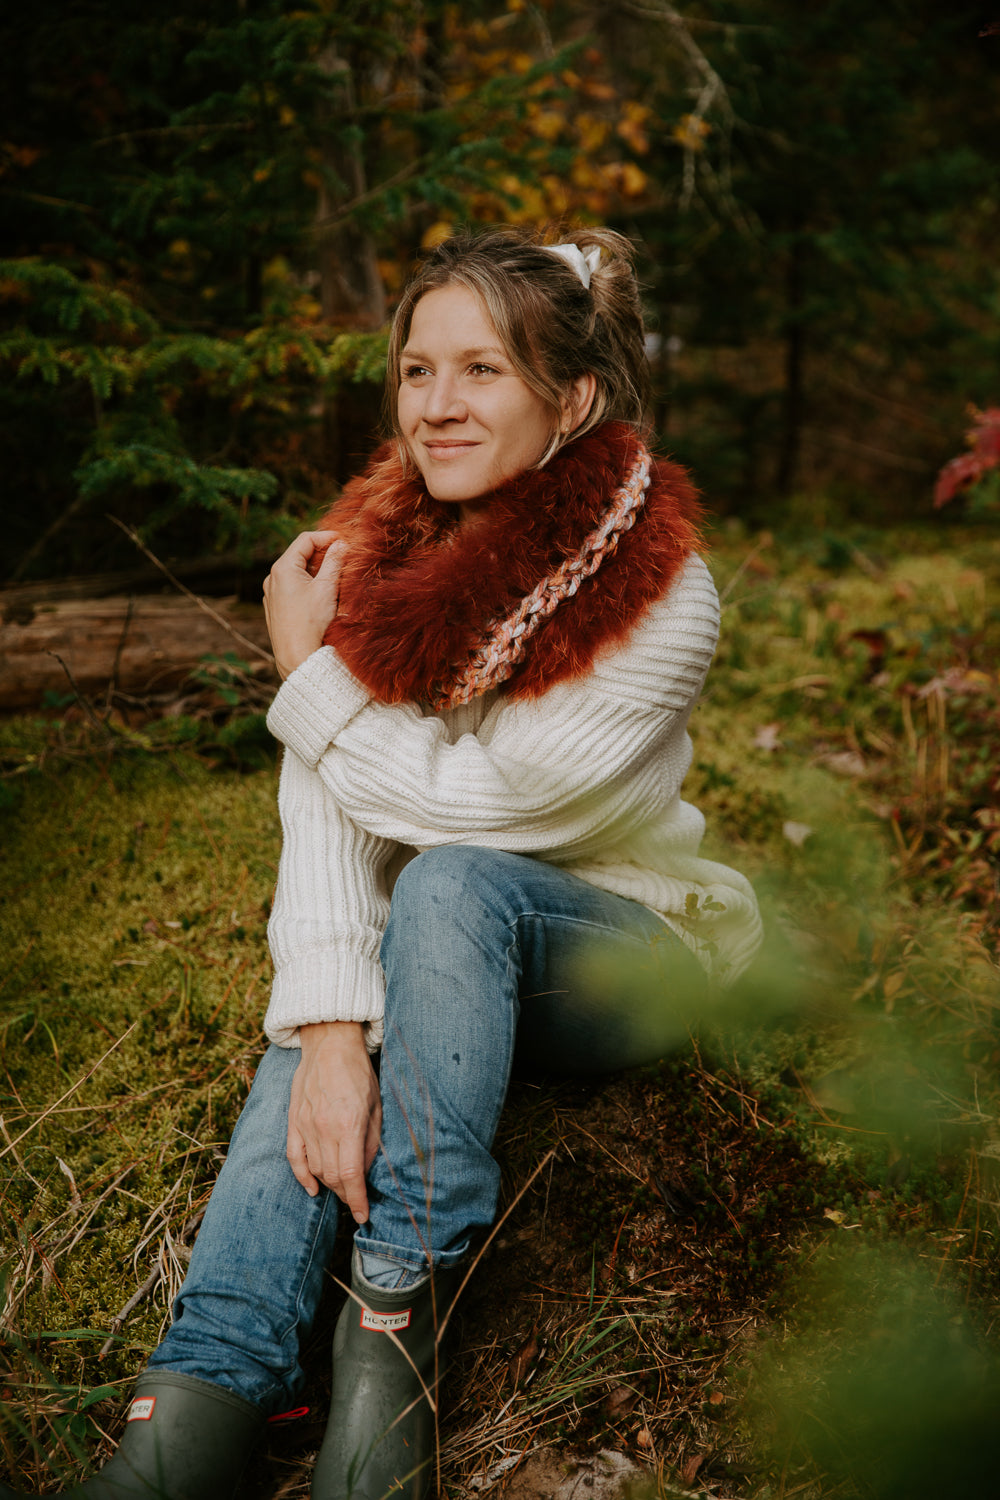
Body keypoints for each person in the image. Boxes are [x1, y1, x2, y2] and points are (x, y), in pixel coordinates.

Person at [7, 226, 761, 1500]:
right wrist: (335, 1032)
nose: (437, 406)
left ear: (569, 396)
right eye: (417, 370)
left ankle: (390, 1334)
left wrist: (308, 674)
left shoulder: (660, 589)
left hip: (628, 946)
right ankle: (201, 1395)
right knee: (327, 1016)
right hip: (434, 947)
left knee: (450, 881)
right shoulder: (374, 558)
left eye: (481, 371)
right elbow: (333, 811)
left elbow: (475, 809)